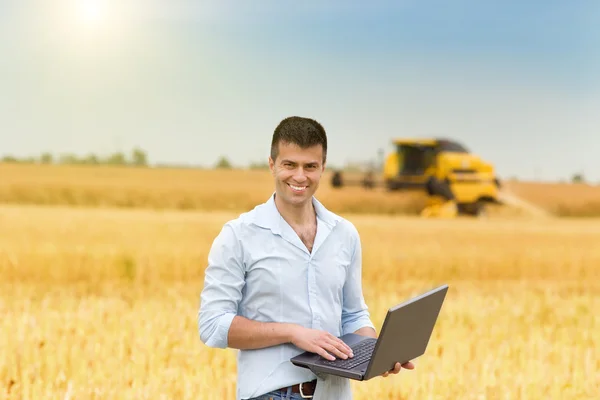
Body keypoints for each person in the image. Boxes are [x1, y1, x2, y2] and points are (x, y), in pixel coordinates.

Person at [198, 116, 414, 400]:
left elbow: (353, 314)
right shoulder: (238, 236)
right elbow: (213, 325)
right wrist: (292, 333)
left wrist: (377, 354)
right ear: (272, 164)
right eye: (290, 164)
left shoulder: (344, 234)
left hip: (335, 395)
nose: (300, 177)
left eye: (310, 166)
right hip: (272, 394)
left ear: (323, 167)